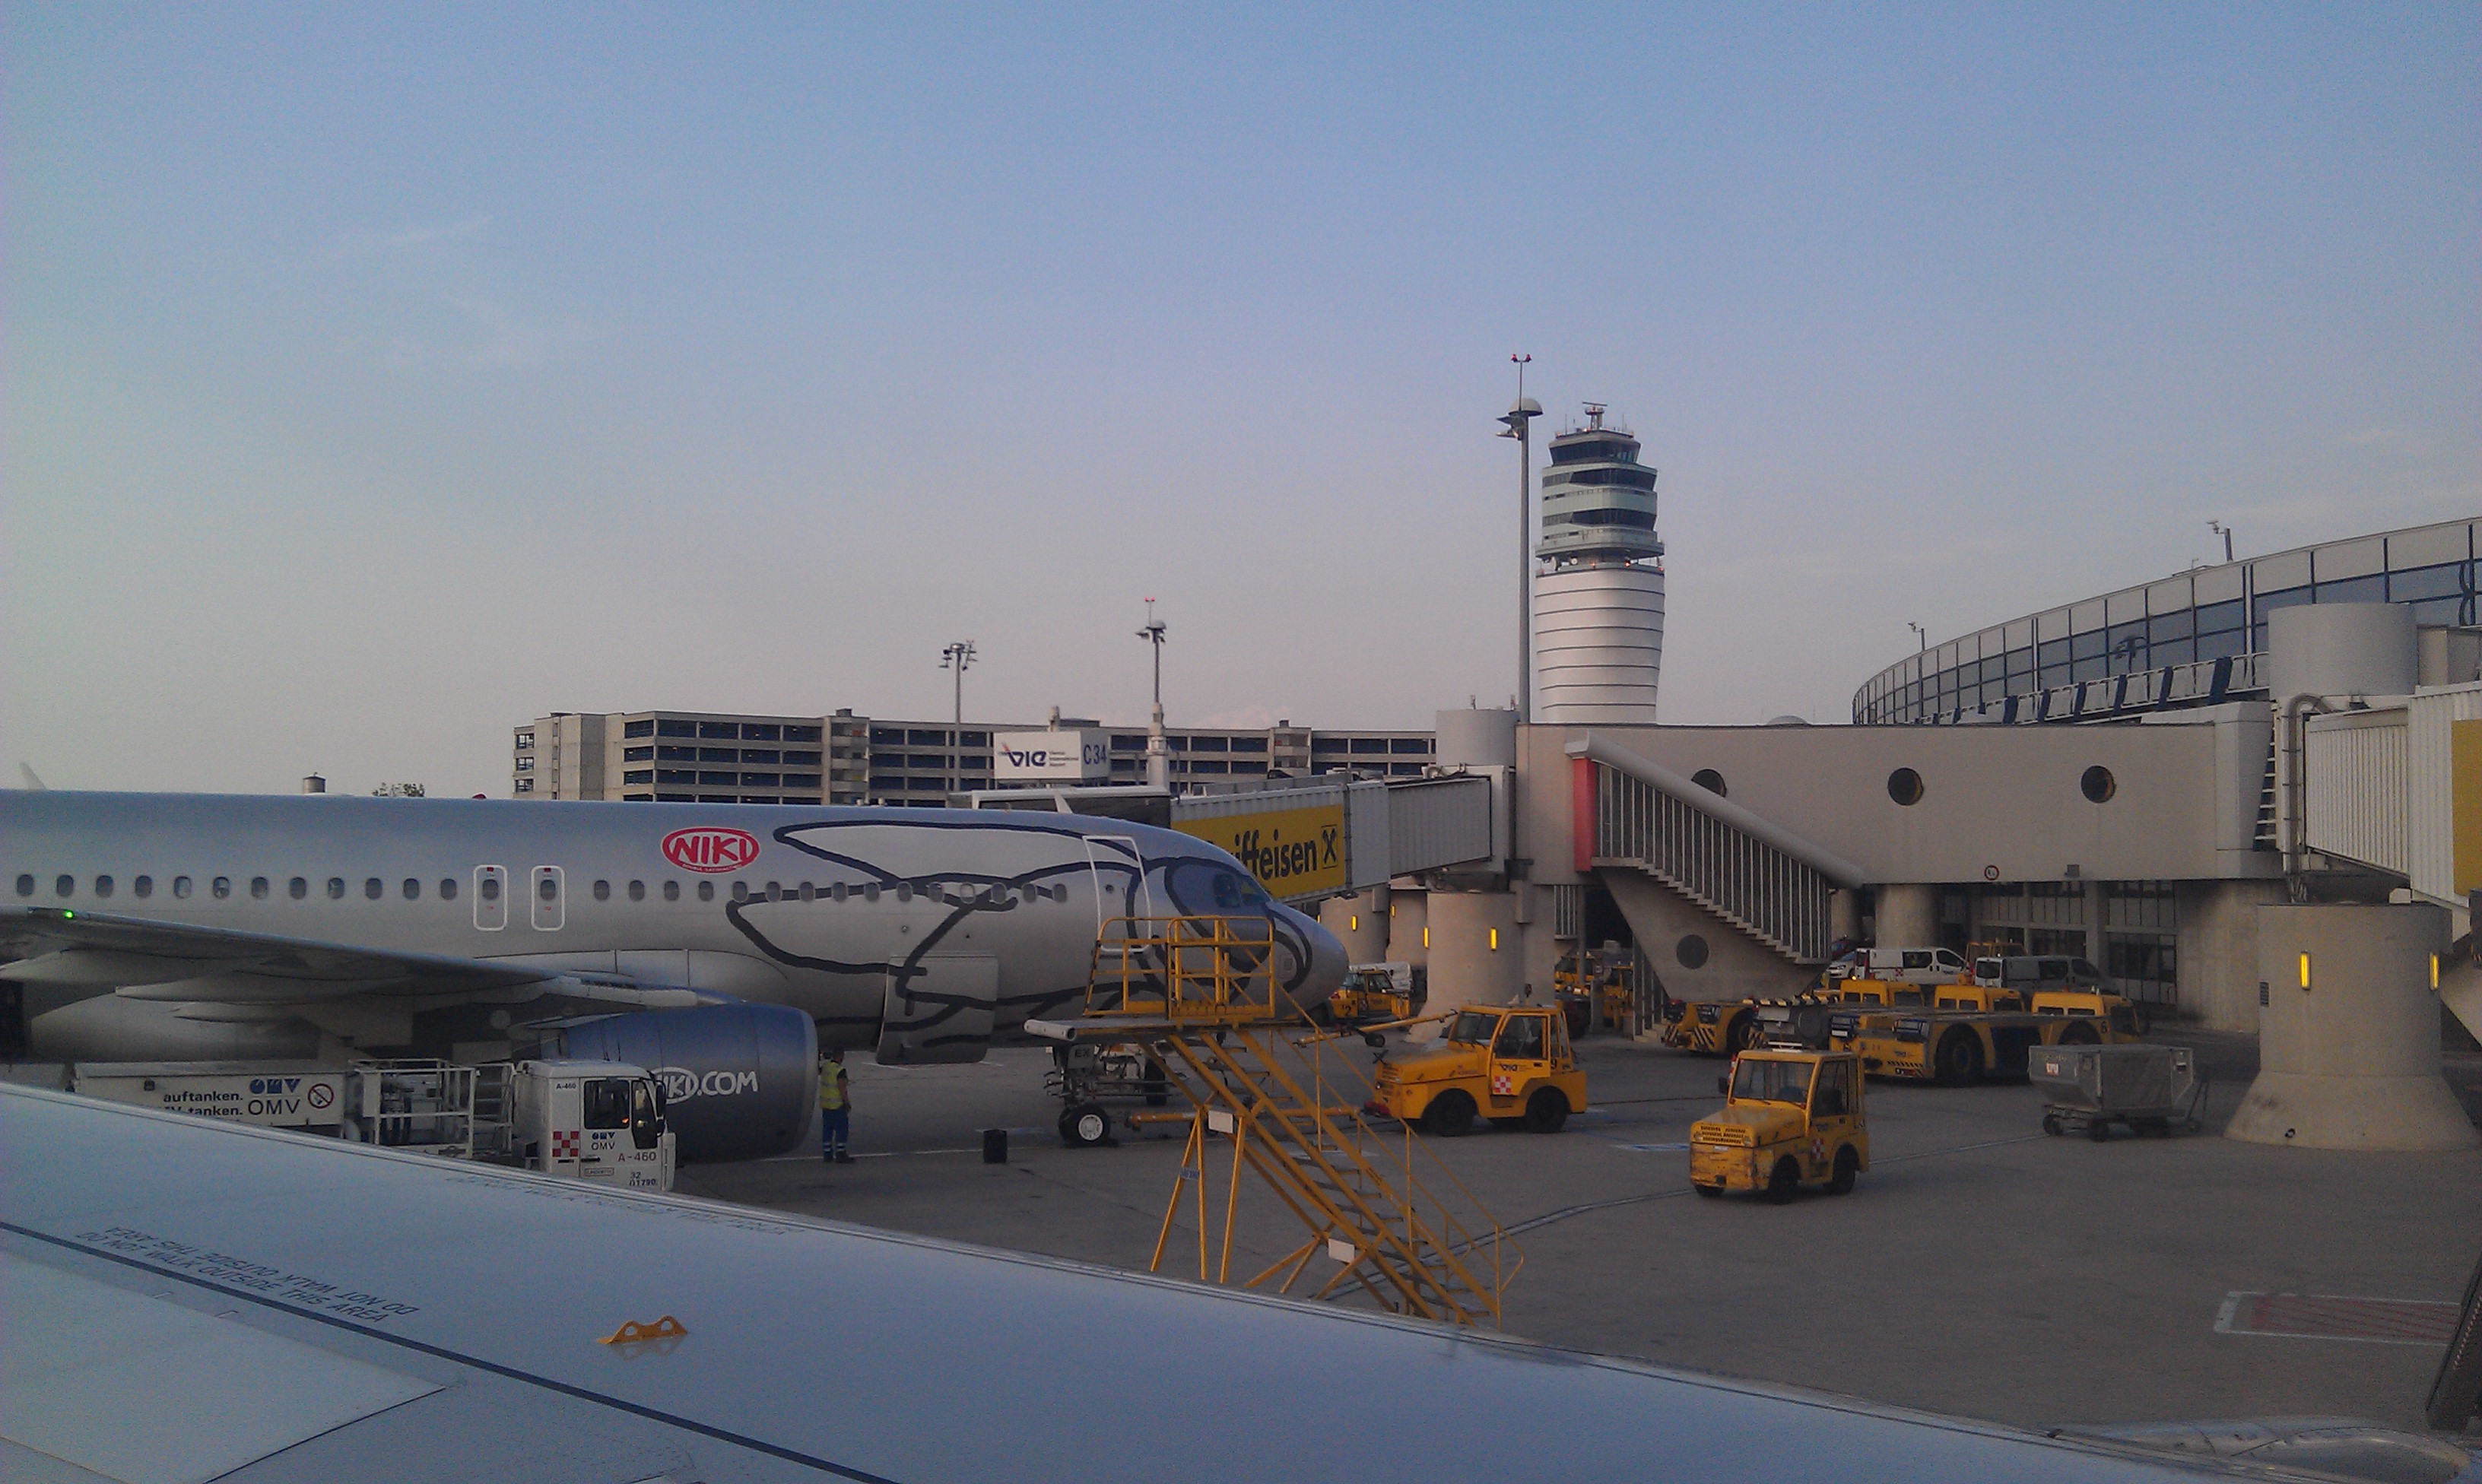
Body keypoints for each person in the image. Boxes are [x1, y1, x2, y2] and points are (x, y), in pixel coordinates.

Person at [819, 1048, 852, 1164]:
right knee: (842, 1130)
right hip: (837, 1106)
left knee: (827, 1130)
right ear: (841, 1056)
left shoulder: (826, 1067)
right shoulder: (840, 1071)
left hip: (826, 1105)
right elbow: (842, 1088)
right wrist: (847, 1102)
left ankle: (827, 1154)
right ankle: (840, 1153)